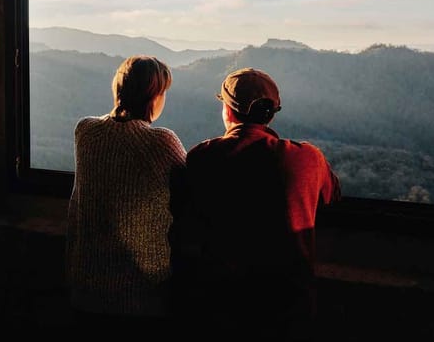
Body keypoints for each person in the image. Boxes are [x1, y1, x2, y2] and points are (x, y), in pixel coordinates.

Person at [171, 67, 341, 341]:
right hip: (289, 306)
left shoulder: (203, 157)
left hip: (221, 304)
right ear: (271, 113)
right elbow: (331, 196)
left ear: (228, 111)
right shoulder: (307, 158)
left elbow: (183, 212)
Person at [66, 55, 187, 339]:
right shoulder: (161, 142)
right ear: (153, 96)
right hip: (141, 298)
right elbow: (193, 187)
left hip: (85, 291)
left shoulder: (86, 131)